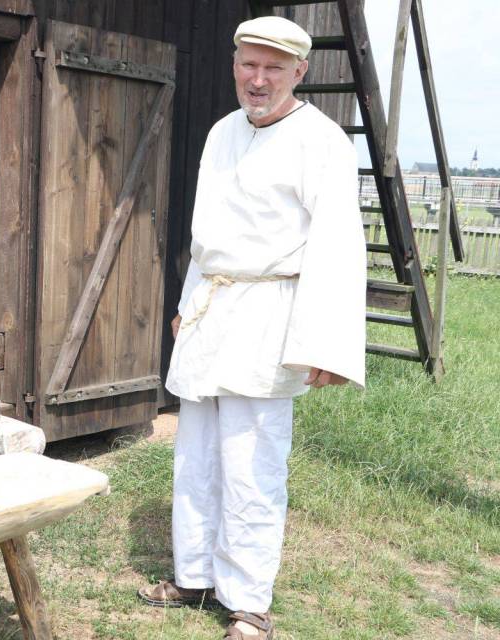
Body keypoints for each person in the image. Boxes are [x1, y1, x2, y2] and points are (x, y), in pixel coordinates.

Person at [137, 16, 366, 640]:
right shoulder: (222, 132)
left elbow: (339, 247)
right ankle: (192, 575)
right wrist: (188, 301)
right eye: (248, 65)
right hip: (213, 311)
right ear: (235, 65)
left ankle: (248, 602)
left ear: (299, 72)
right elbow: (205, 234)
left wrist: (326, 344)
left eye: (272, 68)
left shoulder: (324, 143)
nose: (257, 80)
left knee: (253, 462)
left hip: (272, 316)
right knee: (196, 455)